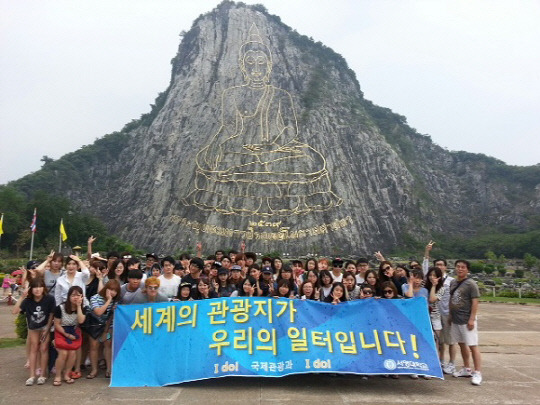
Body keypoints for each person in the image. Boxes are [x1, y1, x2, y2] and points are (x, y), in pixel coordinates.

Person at [183, 24, 341, 216]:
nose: (256, 69)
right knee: (223, 158)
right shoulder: (232, 94)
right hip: (243, 149)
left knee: (309, 158)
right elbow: (229, 127)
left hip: (276, 150)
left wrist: (272, 147)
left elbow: (291, 129)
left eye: (261, 63)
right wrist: (217, 149)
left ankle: (253, 172)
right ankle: (248, 171)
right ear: (243, 65)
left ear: (269, 65)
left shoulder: (281, 95)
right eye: (250, 63)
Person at [12, 278, 55, 386]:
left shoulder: (49, 299)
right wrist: (22, 297)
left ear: (43, 288)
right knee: (34, 348)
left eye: (40, 287)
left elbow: (51, 314)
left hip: (45, 326)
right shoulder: (28, 301)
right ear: (31, 289)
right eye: (35, 287)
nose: (37, 289)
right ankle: (31, 375)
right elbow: (15, 311)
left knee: (44, 349)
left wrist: (47, 329)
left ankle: (43, 375)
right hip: (33, 327)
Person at [450, 260, 482, 386]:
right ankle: (466, 368)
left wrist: (472, 319)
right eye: (458, 267)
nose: (460, 269)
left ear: (467, 270)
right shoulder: (453, 282)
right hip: (456, 319)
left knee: (473, 345)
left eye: (463, 267)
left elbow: (475, 302)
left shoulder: (471, 284)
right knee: (461, 344)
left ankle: (477, 372)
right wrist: (450, 315)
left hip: (466, 319)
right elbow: (451, 299)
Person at [52, 286, 86, 386]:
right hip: (61, 332)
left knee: (72, 353)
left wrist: (79, 306)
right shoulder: (60, 308)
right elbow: (57, 324)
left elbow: (81, 321)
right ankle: (58, 375)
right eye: (73, 295)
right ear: (68, 296)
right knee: (63, 353)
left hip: (74, 332)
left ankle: (67, 374)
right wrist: (67, 335)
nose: (76, 297)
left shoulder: (83, 308)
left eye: (78, 295)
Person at [87, 280, 121, 379]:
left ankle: (109, 370)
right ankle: (94, 370)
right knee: (94, 346)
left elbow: (111, 316)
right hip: (94, 326)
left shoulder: (116, 301)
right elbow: (98, 312)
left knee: (108, 344)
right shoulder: (95, 298)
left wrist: (106, 331)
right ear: (106, 288)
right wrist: (109, 300)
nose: (113, 292)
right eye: (111, 289)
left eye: (115, 291)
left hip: (108, 326)